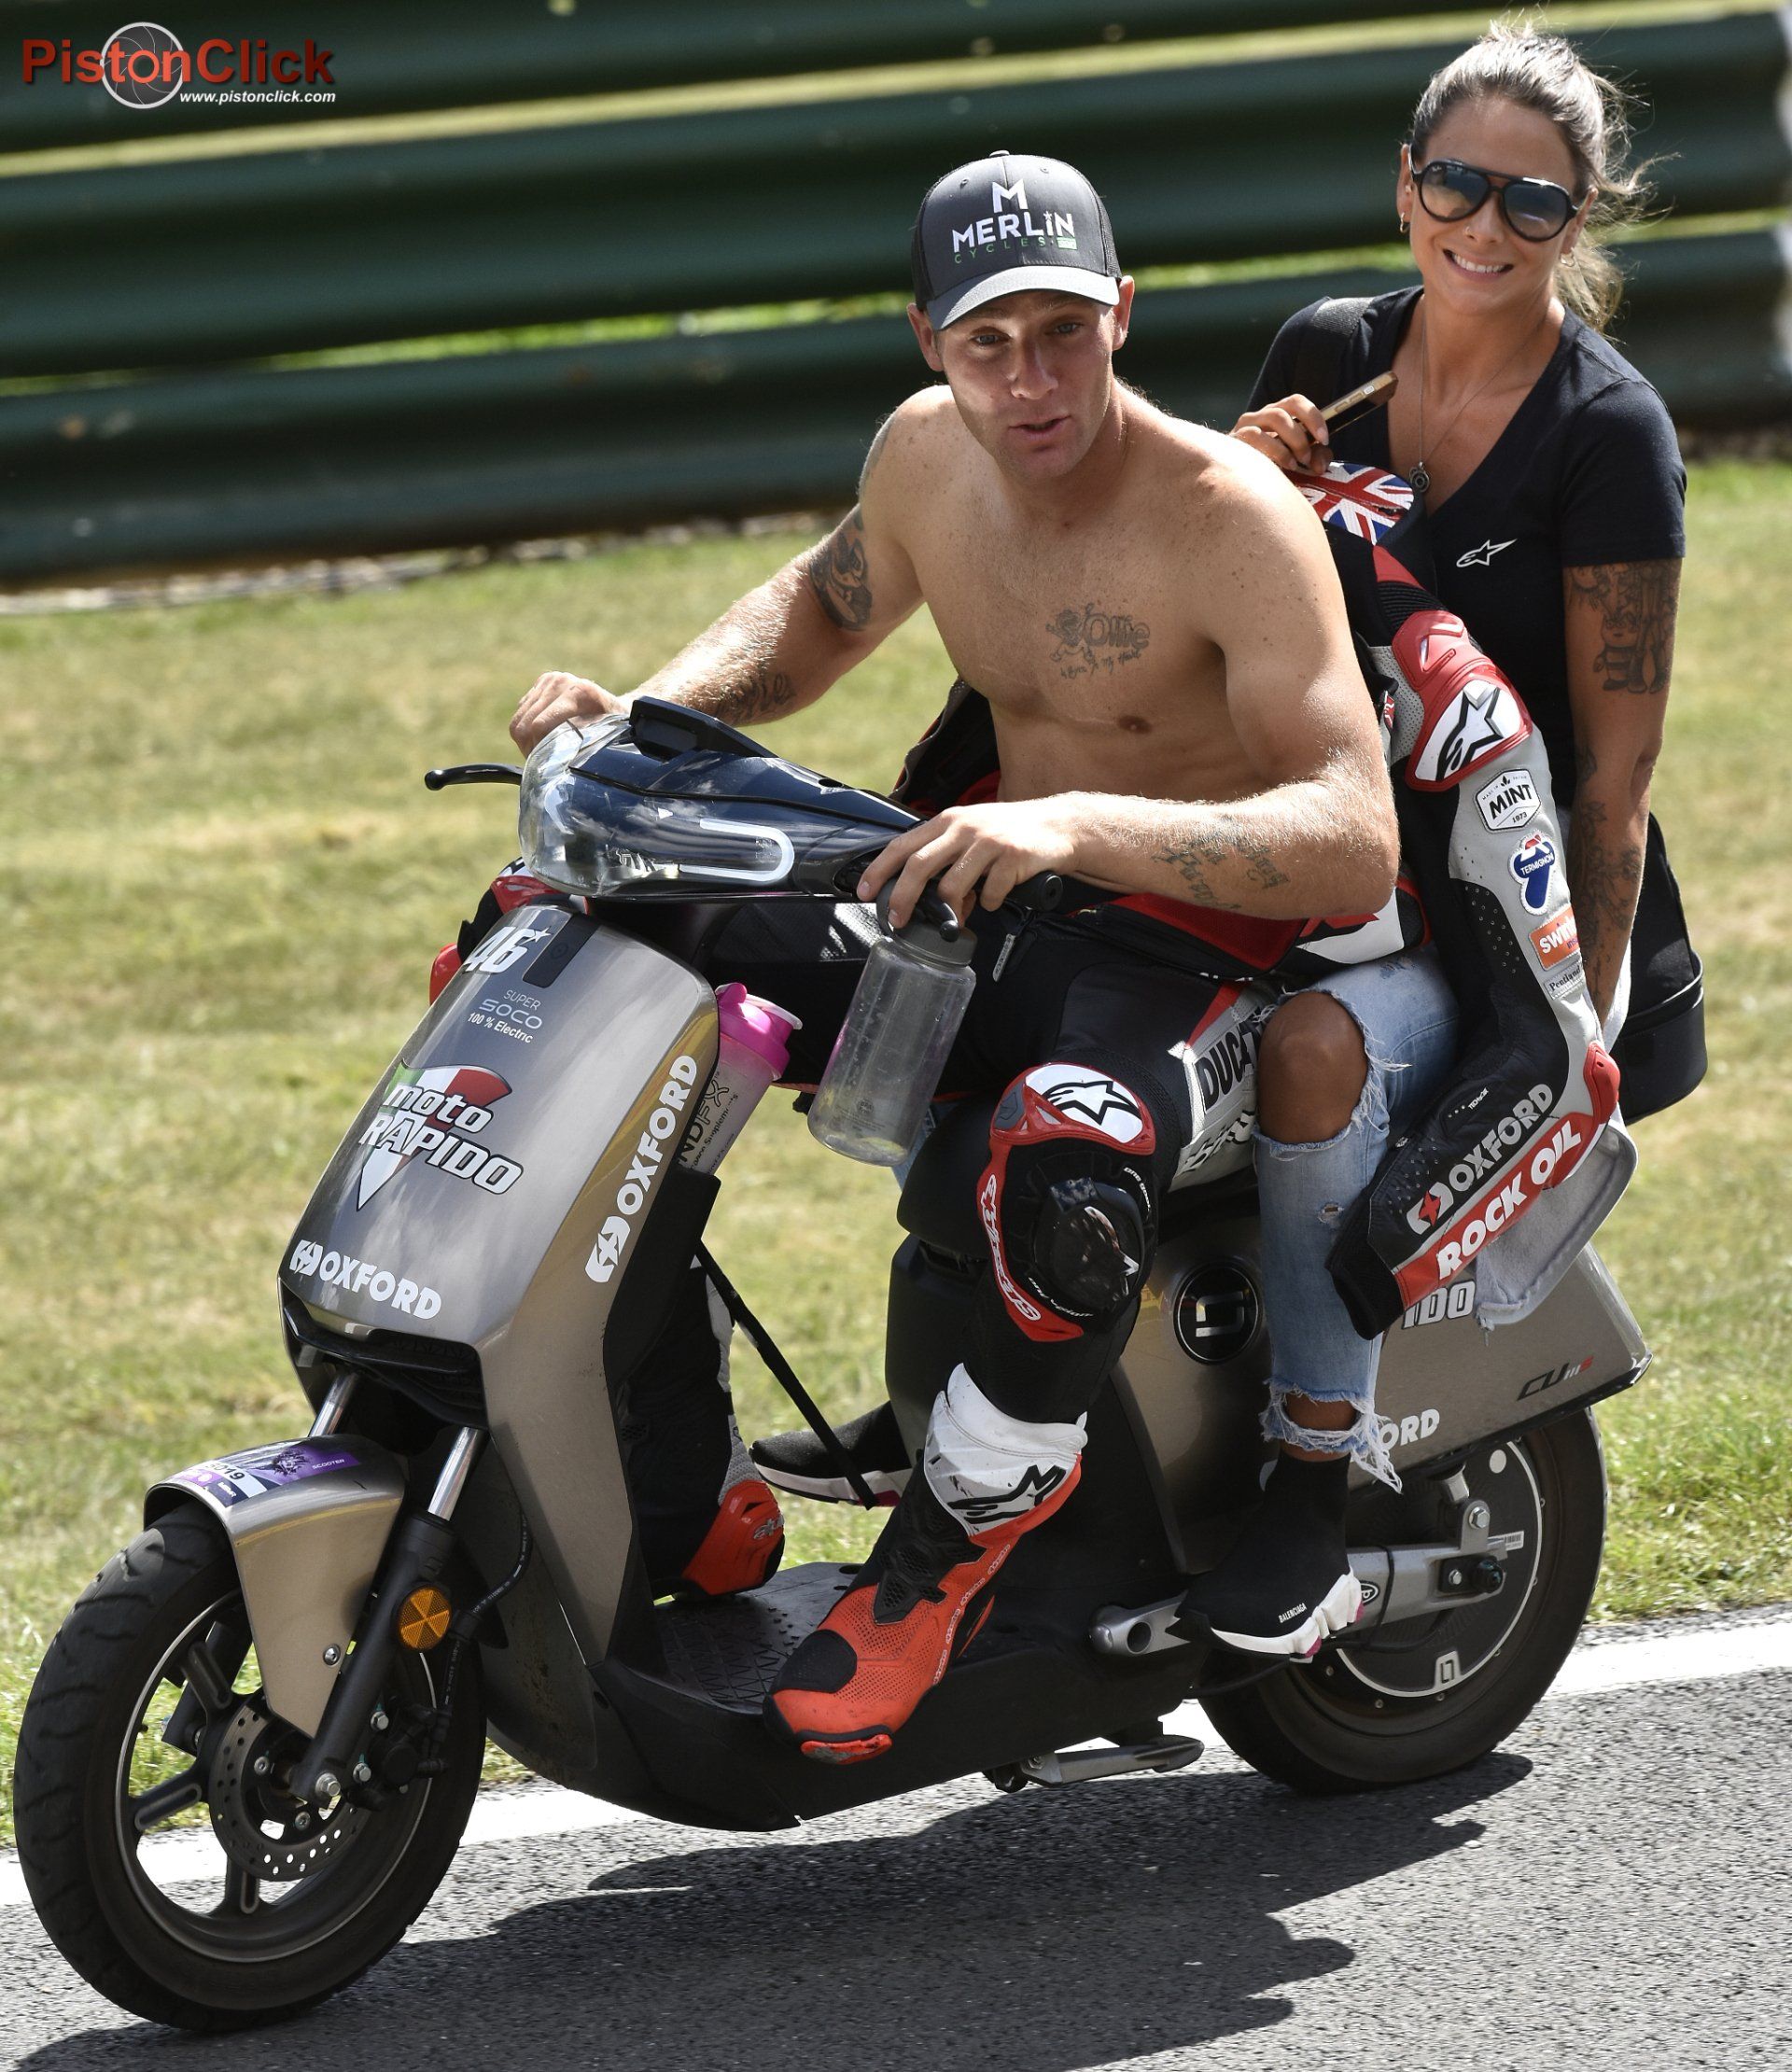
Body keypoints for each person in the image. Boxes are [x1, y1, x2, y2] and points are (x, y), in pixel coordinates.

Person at [511, 150, 1409, 1760]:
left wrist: (1077, 825)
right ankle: (681, 1477)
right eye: (991, 342)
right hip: (997, 908)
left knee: (1063, 1159)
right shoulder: (927, 460)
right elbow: (818, 611)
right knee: (624, 946)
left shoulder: (1230, 520)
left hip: (1198, 960)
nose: (1031, 378)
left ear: (1122, 315)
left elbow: (1352, 836)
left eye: (1064, 332)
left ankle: (946, 1565)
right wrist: (635, 715)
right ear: (932, 341)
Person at [1180, 27, 1685, 1632]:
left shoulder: (1609, 438)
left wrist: (1567, 1043)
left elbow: (1612, 785)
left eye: (1531, 201)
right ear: (1406, 186)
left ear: (1581, 218)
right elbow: (1198, 643)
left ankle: (1312, 1502)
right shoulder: (1323, 354)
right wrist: (1233, 494)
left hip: (1500, 925)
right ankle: (1026, 1414)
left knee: (1315, 1055)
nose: (1484, 224)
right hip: (1321, 866)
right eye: (1456, 182)